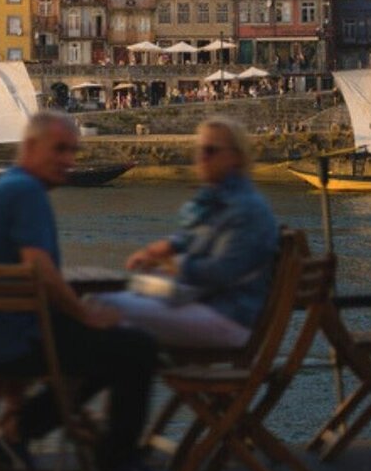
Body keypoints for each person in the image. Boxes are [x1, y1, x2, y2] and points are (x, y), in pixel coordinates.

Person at [0, 112, 165, 471]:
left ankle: (18, 431)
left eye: (72, 151)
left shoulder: (8, 187)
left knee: (103, 346)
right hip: (11, 342)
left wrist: (83, 320)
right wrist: (83, 312)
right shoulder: (27, 193)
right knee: (136, 349)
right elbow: (41, 271)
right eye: (59, 150)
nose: (68, 160)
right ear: (31, 148)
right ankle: (115, 463)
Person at [102, 118, 279, 349]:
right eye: (199, 150)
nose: (202, 157)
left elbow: (221, 272)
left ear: (235, 157)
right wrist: (171, 246)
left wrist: (170, 264)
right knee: (120, 314)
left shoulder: (244, 208)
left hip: (228, 316)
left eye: (211, 150)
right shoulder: (222, 200)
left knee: (105, 306)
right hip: (211, 305)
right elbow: (202, 236)